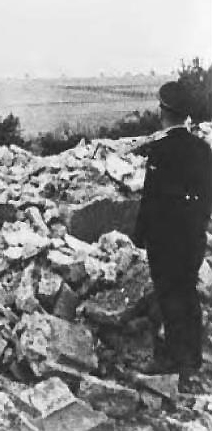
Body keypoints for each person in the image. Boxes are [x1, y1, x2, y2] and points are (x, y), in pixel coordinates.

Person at [132, 81, 212, 388]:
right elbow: (207, 198)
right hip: (192, 239)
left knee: (168, 297)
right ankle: (191, 360)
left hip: (165, 240)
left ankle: (171, 360)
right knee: (188, 294)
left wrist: (139, 236)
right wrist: (198, 227)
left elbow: (151, 200)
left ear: (164, 112)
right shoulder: (203, 150)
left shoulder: (161, 150)